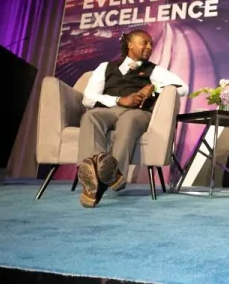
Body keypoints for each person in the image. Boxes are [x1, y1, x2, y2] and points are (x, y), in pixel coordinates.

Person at [77, 30, 188, 208]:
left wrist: (154, 87)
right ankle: (99, 173)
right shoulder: (105, 67)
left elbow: (183, 88)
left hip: (138, 113)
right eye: (144, 43)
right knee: (90, 116)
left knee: (128, 121)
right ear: (130, 44)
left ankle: (108, 176)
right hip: (111, 109)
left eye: (151, 44)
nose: (149, 47)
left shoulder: (154, 70)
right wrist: (119, 100)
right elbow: (88, 98)